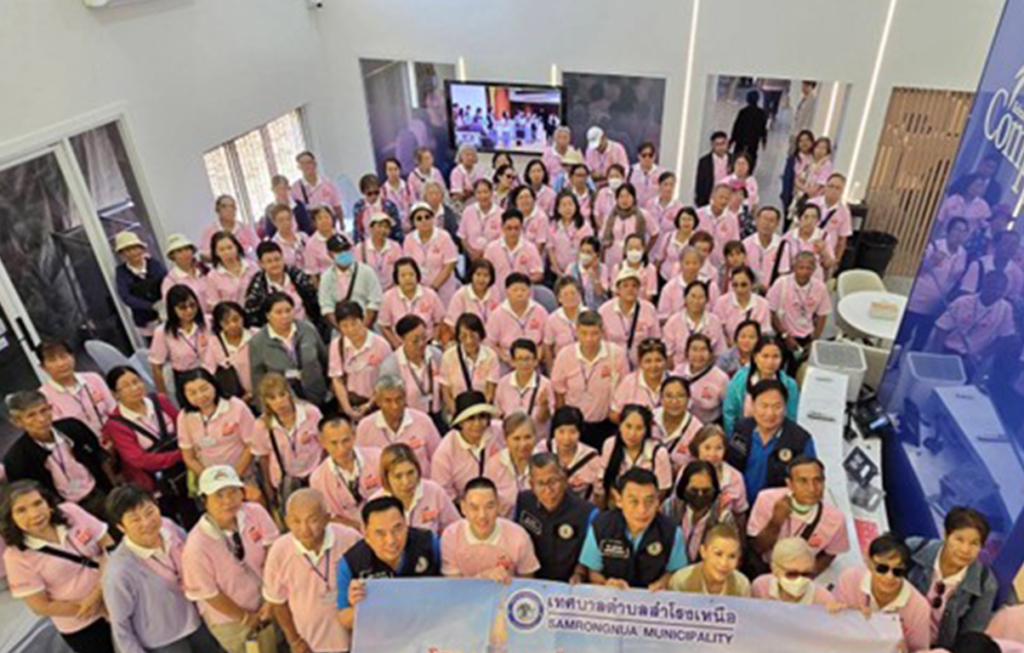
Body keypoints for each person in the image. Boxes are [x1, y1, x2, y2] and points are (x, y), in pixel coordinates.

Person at [103, 485, 223, 653]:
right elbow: (120, 626)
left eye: (149, 512)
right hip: (164, 641)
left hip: (198, 619)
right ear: (121, 527)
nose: (146, 522)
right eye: (135, 520)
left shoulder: (168, 527)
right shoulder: (119, 571)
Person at [0, 481, 115, 653]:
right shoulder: (15, 557)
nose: (34, 514)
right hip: (84, 624)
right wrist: (97, 607)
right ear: (10, 518)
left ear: (48, 503)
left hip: (117, 594)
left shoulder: (70, 512)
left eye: (38, 503)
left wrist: (99, 593)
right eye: (21, 510)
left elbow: (107, 543)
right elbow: (41, 606)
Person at [182, 466, 279, 653]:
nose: (228, 501)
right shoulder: (196, 546)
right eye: (218, 495)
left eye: (233, 492)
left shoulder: (255, 513)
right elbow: (210, 594)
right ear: (204, 500)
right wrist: (246, 618)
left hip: (269, 600)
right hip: (232, 621)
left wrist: (270, 600)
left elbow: (273, 553)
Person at [261, 489, 361, 653]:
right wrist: (294, 640)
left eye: (312, 520)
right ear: (286, 521)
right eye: (296, 521)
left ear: (327, 518)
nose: (305, 529)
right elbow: (277, 602)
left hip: (355, 640)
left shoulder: (350, 539)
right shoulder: (279, 551)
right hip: (311, 644)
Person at [336, 496, 441, 628]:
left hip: (430, 627)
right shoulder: (350, 563)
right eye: (380, 533)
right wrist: (361, 608)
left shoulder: (429, 543)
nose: (391, 540)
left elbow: (451, 588)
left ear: (406, 524)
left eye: (397, 529)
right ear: (366, 535)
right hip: (383, 634)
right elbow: (344, 618)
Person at [103, 367, 192, 524]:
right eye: (126, 386)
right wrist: (182, 454)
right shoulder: (115, 424)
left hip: (185, 470)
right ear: (115, 393)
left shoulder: (160, 401)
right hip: (155, 482)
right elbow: (139, 459)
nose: (134, 388)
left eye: (136, 381)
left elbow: (184, 424)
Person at [905, 507, 999, 649]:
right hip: (897, 633)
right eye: (959, 539)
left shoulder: (985, 584)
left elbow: (970, 636)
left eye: (974, 543)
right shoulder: (913, 549)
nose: (965, 550)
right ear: (946, 535)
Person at [580, 468, 687, 590]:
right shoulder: (600, 526)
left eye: (649, 501)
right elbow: (593, 572)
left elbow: (675, 572)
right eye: (634, 502)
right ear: (619, 500)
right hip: (612, 597)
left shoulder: (672, 532)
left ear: (658, 501)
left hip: (654, 598)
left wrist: (663, 582)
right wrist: (606, 583)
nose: (642, 510)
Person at [747, 456, 849, 577]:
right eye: (803, 481)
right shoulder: (767, 500)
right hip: (766, 569)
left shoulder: (835, 519)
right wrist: (776, 522)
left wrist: (805, 578)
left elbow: (830, 554)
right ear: (789, 484)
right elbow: (757, 547)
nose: (812, 488)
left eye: (817, 480)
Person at [835, 534, 931, 653]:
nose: (889, 577)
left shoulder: (919, 608)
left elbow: (919, 650)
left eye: (897, 571)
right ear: (869, 563)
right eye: (882, 568)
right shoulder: (849, 580)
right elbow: (835, 626)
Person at [727, 379, 816, 503]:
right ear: (753, 405)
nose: (770, 413)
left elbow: (809, 480)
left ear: (785, 407)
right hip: (738, 503)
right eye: (764, 406)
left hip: (777, 507)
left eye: (777, 407)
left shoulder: (800, 440)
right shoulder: (740, 430)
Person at [550, 310, 630, 448]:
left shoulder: (617, 354)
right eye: (584, 333)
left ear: (602, 332)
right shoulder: (565, 355)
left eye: (594, 333)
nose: (589, 339)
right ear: (576, 332)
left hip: (605, 423)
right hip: (574, 425)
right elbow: (559, 391)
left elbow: (624, 389)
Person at [514, 453, 597, 583]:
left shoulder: (587, 512)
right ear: (531, 484)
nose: (548, 490)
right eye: (540, 483)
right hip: (531, 581)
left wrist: (579, 574)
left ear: (564, 479)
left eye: (553, 481)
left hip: (568, 585)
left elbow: (590, 556)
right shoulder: (523, 502)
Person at [440, 476, 539, 580]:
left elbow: (527, 583)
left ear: (498, 505)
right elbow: (453, 585)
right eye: (474, 508)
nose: (482, 515)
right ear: (463, 508)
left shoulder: (519, 537)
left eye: (489, 507)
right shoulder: (451, 536)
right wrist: (482, 578)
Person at [250, 373, 323, 511]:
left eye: (282, 395)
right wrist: (268, 487)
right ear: (265, 401)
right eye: (272, 398)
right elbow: (264, 458)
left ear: (289, 394)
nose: (279, 402)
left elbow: (324, 444)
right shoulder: (261, 425)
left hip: (314, 474)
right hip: (285, 481)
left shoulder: (311, 413)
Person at [176, 368, 258, 489]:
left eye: (204, 389)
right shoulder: (184, 417)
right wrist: (211, 481)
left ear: (214, 385)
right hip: (211, 481)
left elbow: (251, 445)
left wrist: (234, 478)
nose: (200, 396)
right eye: (192, 393)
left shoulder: (236, 406)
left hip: (244, 475)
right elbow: (189, 457)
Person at [903, 217, 970, 350]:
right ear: (948, 231)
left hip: (936, 306)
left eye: (964, 232)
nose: (959, 235)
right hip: (916, 301)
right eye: (957, 230)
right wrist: (930, 263)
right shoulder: (933, 247)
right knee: (904, 336)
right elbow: (911, 270)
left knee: (921, 341)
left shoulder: (963, 254)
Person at [248, 292, 328, 403]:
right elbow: (258, 379)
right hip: (283, 401)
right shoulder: (257, 342)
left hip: (317, 394)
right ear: (268, 315)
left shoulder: (307, 329)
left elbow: (324, 360)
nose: (285, 316)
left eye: (288, 311)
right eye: (278, 312)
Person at [356, 375, 442, 477]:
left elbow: (439, 459)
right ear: (378, 401)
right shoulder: (365, 427)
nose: (395, 406)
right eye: (388, 401)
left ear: (405, 398)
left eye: (399, 399)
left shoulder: (423, 421)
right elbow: (361, 465)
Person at [308, 415, 381, 531]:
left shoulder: (377, 458)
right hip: (350, 532)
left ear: (354, 435)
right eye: (334, 443)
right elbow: (329, 516)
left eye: (346, 440)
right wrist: (359, 527)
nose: (341, 448)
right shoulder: (317, 478)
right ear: (322, 442)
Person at [431, 391, 506, 502]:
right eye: (470, 418)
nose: (477, 424)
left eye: (482, 417)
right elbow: (443, 493)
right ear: (460, 422)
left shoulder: (500, 432)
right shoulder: (444, 452)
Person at [37, 340, 116, 444]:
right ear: (43, 367)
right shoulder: (43, 397)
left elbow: (114, 410)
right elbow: (62, 434)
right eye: (52, 360)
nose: (61, 364)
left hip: (115, 437)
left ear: (73, 357)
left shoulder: (93, 378)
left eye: (63, 356)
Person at [931, 271, 1016, 366]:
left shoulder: (1006, 309)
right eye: (992, 287)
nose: (995, 292)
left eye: (1000, 289)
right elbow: (941, 328)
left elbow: (1004, 337)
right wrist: (937, 355)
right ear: (984, 284)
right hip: (948, 350)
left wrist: (982, 356)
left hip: (972, 358)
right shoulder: (962, 302)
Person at [371, 443, 458, 535]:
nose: (406, 481)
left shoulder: (434, 491)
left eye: (410, 473)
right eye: (398, 476)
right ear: (386, 477)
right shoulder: (375, 503)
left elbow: (455, 530)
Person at [723, 335, 801, 435]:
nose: (770, 362)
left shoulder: (790, 385)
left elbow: (791, 419)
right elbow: (729, 413)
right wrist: (732, 438)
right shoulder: (740, 379)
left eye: (775, 357)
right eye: (765, 356)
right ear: (755, 357)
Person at [767, 251, 832, 370]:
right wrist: (785, 335)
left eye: (808, 268)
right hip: (782, 334)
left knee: (798, 371)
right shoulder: (781, 283)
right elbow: (771, 311)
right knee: (775, 368)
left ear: (814, 269)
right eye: (801, 267)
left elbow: (822, 315)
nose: (804, 272)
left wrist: (814, 340)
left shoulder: (820, 287)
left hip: (806, 336)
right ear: (794, 267)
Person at [598, 404, 673, 506]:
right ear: (620, 426)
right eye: (628, 426)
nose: (632, 433)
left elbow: (662, 491)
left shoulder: (659, 453)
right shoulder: (610, 445)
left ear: (646, 430)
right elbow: (605, 481)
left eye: (639, 428)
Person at [328, 301, 391, 421]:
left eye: (354, 324)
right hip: (351, 401)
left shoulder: (381, 344)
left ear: (362, 320)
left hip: (376, 403)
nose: (351, 329)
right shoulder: (337, 345)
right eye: (345, 326)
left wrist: (369, 405)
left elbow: (387, 380)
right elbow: (337, 379)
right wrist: (347, 409)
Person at [662, 460, 735, 563]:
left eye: (706, 491)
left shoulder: (723, 517)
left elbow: (730, 554)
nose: (700, 495)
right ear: (684, 487)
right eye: (694, 490)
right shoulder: (669, 508)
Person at [150, 284, 213, 399]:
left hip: (211, 373)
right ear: (172, 309)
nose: (189, 310)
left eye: (192, 305)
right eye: (182, 307)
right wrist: (163, 397)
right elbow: (156, 366)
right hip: (185, 379)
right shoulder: (162, 332)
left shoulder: (208, 322)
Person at [380, 315, 444, 425]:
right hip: (408, 420)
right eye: (415, 341)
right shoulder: (391, 366)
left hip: (437, 417)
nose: (421, 343)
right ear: (402, 339)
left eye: (424, 338)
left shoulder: (436, 356)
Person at [245, 241, 320, 328]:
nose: (274, 264)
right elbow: (253, 316)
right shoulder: (257, 286)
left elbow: (314, 301)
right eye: (269, 261)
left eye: (277, 259)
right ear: (261, 264)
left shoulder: (297, 276)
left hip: (305, 326)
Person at [318, 234, 384, 330]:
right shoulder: (326, 277)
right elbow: (326, 307)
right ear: (330, 254)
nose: (343, 253)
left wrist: (362, 328)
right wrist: (343, 329)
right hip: (341, 325)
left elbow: (374, 302)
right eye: (338, 251)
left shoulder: (366, 271)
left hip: (366, 323)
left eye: (346, 249)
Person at [536, 406, 602, 501]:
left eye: (572, 432)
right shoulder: (543, 449)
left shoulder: (592, 459)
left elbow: (598, 496)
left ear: (580, 432)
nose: (566, 438)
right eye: (561, 432)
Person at [599, 267, 661, 368]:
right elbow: (600, 342)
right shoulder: (604, 311)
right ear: (618, 289)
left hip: (642, 364)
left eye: (634, 286)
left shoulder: (649, 309)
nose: (630, 289)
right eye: (625, 285)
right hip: (612, 364)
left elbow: (655, 339)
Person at [378, 258, 446, 348]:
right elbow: (384, 326)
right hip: (401, 346)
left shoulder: (430, 295)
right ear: (396, 278)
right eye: (403, 275)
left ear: (417, 275)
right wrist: (396, 346)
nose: (408, 278)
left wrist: (434, 341)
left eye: (411, 274)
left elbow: (439, 321)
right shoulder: (388, 297)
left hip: (427, 344)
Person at [486, 273, 550, 367]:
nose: (519, 294)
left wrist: (537, 358)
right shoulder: (497, 314)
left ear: (529, 292)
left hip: (534, 359)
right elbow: (490, 344)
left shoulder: (540, 311)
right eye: (515, 290)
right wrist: (506, 359)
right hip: (507, 360)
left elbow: (547, 340)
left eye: (523, 290)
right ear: (507, 292)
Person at [403, 202, 460, 306]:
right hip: (419, 289)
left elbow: (450, 263)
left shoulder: (444, 236)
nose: (424, 221)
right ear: (413, 222)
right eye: (419, 218)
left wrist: (434, 286)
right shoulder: (409, 239)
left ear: (432, 218)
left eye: (427, 217)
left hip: (443, 288)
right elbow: (408, 266)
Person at [668, 523, 750, 596]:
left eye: (732, 556)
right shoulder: (681, 581)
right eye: (718, 554)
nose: (724, 563)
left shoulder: (741, 586)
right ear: (703, 551)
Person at [689, 425, 749, 523]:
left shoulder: (736, 477)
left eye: (719, 448)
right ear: (697, 448)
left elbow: (740, 513)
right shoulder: (686, 472)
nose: (713, 454)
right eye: (707, 448)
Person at [751, 537, 837, 606]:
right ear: (775, 570)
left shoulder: (824, 600)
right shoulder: (761, 586)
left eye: (806, 574)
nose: (800, 580)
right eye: (792, 574)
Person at [114, 231, 167, 339]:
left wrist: (163, 304)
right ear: (122, 254)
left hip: (166, 314)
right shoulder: (121, 272)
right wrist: (151, 306)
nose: (133, 253)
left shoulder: (154, 264)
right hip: (145, 321)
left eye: (135, 248)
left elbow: (167, 282)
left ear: (141, 249)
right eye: (128, 250)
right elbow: (126, 297)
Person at [483, 412, 537, 518]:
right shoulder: (494, 464)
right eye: (516, 438)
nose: (523, 444)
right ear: (506, 440)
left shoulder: (544, 463)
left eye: (528, 437)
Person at [664, 281, 727, 369]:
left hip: (707, 371)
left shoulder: (714, 321)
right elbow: (668, 354)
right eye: (693, 296)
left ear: (707, 300)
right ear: (685, 298)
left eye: (701, 297)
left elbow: (720, 352)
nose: (696, 301)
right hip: (679, 371)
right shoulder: (673, 322)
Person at [205, 301, 257, 401]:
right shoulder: (214, 342)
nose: (233, 325)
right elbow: (209, 372)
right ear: (219, 323)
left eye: (236, 319)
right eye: (226, 322)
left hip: (262, 393)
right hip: (234, 399)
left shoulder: (256, 335)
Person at [600, 184, 659, 269]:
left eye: (627, 196)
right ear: (617, 199)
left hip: (633, 259)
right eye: (621, 197)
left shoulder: (643, 215)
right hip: (611, 259)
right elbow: (603, 240)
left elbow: (654, 234)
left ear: (634, 198)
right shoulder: (610, 216)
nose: (624, 200)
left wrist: (644, 250)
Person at [676, 334, 730, 425]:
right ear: (687, 352)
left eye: (703, 349)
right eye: (694, 349)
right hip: (681, 424)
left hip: (708, 426)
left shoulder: (721, 378)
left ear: (710, 353)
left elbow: (728, 409)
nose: (698, 354)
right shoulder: (677, 372)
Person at [653, 376, 703, 473]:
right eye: (669, 396)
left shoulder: (697, 430)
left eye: (680, 396)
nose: (674, 401)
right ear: (661, 398)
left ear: (688, 399)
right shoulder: (650, 418)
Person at [611, 338, 668, 420]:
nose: (653, 366)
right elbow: (614, 413)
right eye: (648, 361)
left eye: (658, 360)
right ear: (640, 363)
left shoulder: (674, 381)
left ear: (665, 361)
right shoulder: (629, 382)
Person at [713, 266, 772, 344]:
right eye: (735, 285)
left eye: (743, 285)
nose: (739, 289)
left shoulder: (763, 304)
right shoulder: (722, 302)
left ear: (752, 283)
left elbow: (764, 332)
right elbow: (718, 330)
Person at [808, 173, 854, 264]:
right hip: (806, 249)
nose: (833, 190)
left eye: (838, 188)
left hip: (826, 256)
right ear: (825, 187)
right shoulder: (811, 203)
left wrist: (837, 260)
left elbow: (842, 239)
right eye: (831, 186)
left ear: (842, 191)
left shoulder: (844, 212)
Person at [785, 204, 836, 281]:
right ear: (799, 219)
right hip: (792, 279)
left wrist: (823, 251)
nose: (809, 221)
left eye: (814, 217)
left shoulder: (823, 236)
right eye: (806, 217)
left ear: (818, 221)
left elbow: (829, 265)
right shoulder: (788, 237)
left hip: (815, 280)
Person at [205, 232, 258, 307]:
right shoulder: (212, 276)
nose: (227, 252)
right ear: (216, 252)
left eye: (230, 247)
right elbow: (214, 303)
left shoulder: (252, 267)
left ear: (237, 247)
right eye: (221, 250)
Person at [162, 234, 210, 314]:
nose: (185, 253)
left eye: (187, 249)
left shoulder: (204, 271)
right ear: (172, 256)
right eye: (179, 251)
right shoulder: (170, 281)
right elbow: (171, 308)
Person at [292, 151, 344, 224]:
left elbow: (337, 206)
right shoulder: (295, 188)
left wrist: (341, 223)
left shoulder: (328, 183)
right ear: (299, 167)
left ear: (315, 164)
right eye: (303, 164)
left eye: (309, 162)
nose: (306, 166)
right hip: (309, 226)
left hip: (329, 223)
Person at [542, 276, 585, 365]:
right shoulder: (552, 319)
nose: (570, 297)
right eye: (566, 294)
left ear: (580, 295)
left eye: (573, 293)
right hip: (563, 364)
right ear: (559, 299)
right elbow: (547, 347)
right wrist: (551, 369)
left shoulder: (589, 314)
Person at [355, 213, 402, 292]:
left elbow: (400, 268)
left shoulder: (395, 247)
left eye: (386, 227)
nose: (383, 230)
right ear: (371, 228)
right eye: (379, 226)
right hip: (368, 291)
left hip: (391, 290)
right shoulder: (360, 248)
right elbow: (358, 273)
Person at [744, 207, 789, 290]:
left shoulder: (782, 245)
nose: (767, 224)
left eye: (771, 220)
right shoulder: (746, 244)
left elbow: (783, 275)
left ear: (777, 224)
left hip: (773, 291)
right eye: (764, 219)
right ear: (757, 220)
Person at [697, 183, 740, 269]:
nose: (723, 201)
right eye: (721, 197)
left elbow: (734, 244)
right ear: (713, 196)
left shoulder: (732, 219)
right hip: (698, 262)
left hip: (720, 266)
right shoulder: (699, 214)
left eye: (726, 199)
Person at [459, 179, 502, 262]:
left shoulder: (500, 213)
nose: (483, 196)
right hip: (472, 258)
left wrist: (486, 252)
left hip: (493, 257)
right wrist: (471, 252)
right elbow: (462, 236)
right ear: (475, 194)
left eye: (485, 192)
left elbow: (502, 239)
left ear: (491, 193)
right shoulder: (468, 211)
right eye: (479, 192)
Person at [351, 174, 401, 244]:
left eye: (376, 192)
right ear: (363, 192)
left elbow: (397, 229)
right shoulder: (358, 206)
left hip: (387, 243)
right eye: (369, 193)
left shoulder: (389, 206)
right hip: (367, 244)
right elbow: (357, 230)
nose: (374, 196)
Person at [566, 236, 610, 310]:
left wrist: (594, 273)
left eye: (588, 252)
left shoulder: (602, 269)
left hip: (596, 311)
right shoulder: (571, 268)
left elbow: (599, 293)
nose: (584, 255)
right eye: (582, 251)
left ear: (596, 254)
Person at [655, 207, 697, 282]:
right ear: (678, 220)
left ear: (695, 222)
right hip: (664, 276)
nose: (686, 222)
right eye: (683, 219)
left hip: (686, 279)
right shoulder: (668, 236)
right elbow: (659, 258)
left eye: (690, 219)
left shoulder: (697, 239)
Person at [611, 234, 658, 302]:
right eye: (630, 248)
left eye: (637, 248)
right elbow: (615, 293)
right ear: (625, 250)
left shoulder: (650, 269)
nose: (634, 251)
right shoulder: (617, 268)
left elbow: (649, 295)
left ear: (643, 249)